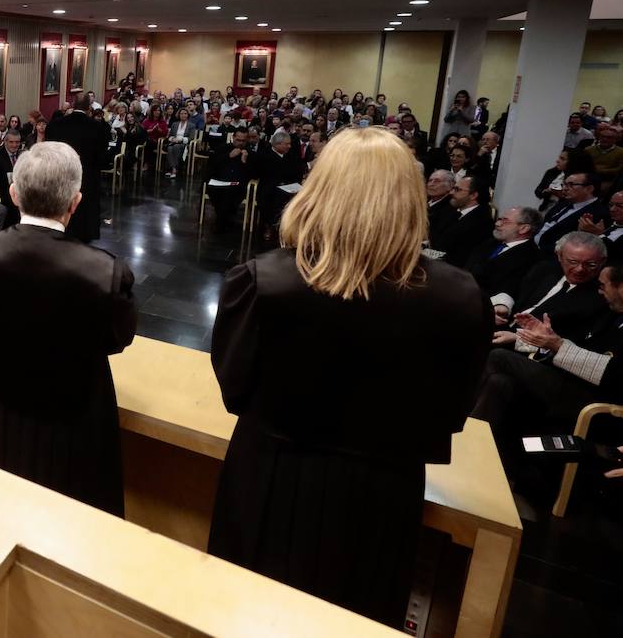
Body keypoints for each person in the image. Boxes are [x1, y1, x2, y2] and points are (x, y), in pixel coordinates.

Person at [208, 129, 490, 628]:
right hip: (385, 489)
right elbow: (454, 407)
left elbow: (235, 389)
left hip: (271, 473)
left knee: (249, 609)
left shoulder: (262, 282)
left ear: (318, 190)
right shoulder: (461, 297)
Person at [0, 141, 136, 514]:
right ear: (75, 202)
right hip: (74, 426)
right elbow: (118, 337)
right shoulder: (105, 272)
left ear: (14, 195)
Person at [472, 251, 622, 478]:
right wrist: (544, 340)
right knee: (500, 383)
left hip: (597, 401)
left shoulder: (604, 310)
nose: (600, 292)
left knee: (500, 357)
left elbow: (615, 375)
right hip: (571, 382)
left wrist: (556, 345)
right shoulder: (614, 315)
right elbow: (582, 347)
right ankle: (474, 455)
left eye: (603, 286)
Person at [491, 233, 610, 345]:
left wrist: (518, 339)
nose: (580, 269)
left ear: (602, 262)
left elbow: (569, 342)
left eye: (591, 264)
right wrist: (502, 305)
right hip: (499, 325)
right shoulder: (545, 268)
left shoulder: (602, 296)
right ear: (559, 255)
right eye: (573, 261)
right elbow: (512, 287)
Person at [44, 93, 108, 243]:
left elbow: (50, 152)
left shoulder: (56, 125)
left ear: (73, 105)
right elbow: (102, 158)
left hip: (61, 176)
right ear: (88, 107)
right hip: (87, 178)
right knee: (84, 211)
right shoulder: (97, 127)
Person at [463, 207, 542, 306]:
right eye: (499, 219)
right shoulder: (489, 242)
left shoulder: (532, 258)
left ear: (523, 228)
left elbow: (508, 291)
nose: (497, 224)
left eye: (505, 221)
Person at [429, 174, 494, 267]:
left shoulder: (482, 223)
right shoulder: (451, 211)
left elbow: (460, 256)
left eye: (457, 189)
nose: (451, 192)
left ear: (473, 195)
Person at [535, 173, 609, 255]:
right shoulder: (564, 203)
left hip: (551, 255)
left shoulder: (598, 213)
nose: (565, 188)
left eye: (571, 185)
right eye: (564, 184)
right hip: (533, 245)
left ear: (589, 188)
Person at [580, 189, 623, 260]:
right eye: (611, 205)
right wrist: (583, 232)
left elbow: (616, 255)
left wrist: (598, 234)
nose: (612, 209)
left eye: (620, 206)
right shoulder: (606, 221)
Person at [586, 122, 622, 191]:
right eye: (603, 137)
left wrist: (600, 170)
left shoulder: (621, 152)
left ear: (615, 140)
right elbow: (583, 165)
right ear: (599, 137)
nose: (605, 139)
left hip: (608, 179)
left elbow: (619, 169)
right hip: (589, 177)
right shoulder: (589, 149)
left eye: (609, 138)